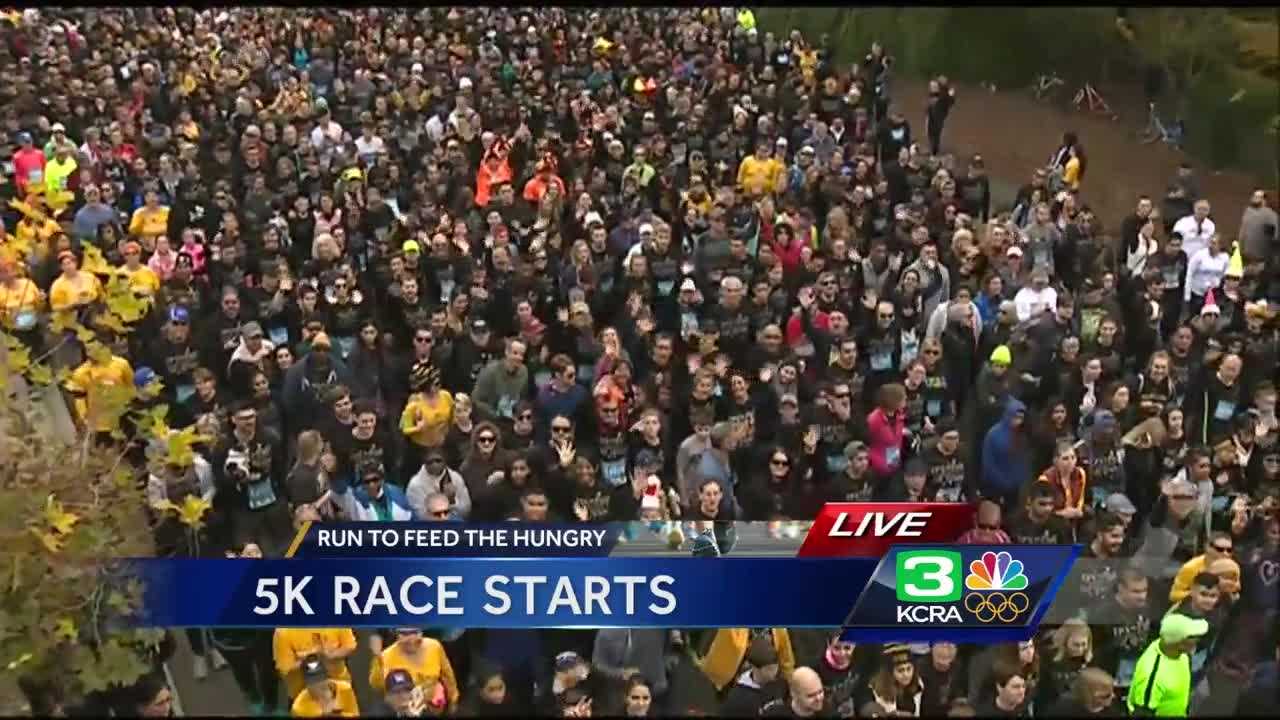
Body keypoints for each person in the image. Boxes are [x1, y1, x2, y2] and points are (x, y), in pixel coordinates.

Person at [1127, 613, 1208, 716]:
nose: (1198, 639)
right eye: (1193, 636)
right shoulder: (1152, 677)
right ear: (1181, 643)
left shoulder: (1177, 651)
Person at [290, 654, 360, 717]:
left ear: (327, 678)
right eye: (313, 682)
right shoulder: (299, 706)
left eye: (321, 679)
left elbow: (354, 714)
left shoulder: (345, 689)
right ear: (307, 685)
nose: (318, 685)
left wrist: (334, 713)